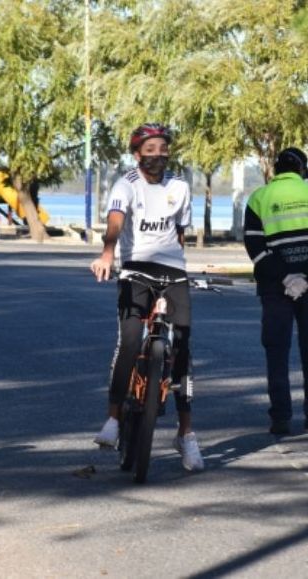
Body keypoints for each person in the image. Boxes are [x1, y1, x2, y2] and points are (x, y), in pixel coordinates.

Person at [89, 123, 204, 472]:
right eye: (150, 150)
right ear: (137, 154)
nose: (157, 155)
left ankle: (186, 434)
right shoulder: (126, 184)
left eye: (162, 149)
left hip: (173, 272)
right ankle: (112, 419)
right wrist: (108, 254)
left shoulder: (180, 187)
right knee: (128, 342)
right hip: (135, 270)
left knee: (182, 346)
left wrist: (180, 269)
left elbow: (179, 234)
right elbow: (116, 221)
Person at [243, 147, 308, 435]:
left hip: (274, 287)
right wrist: (306, 276)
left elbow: (255, 247)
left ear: (276, 170)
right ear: (302, 171)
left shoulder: (258, 198)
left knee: (277, 351)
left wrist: (285, 277)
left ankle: (281, 417)